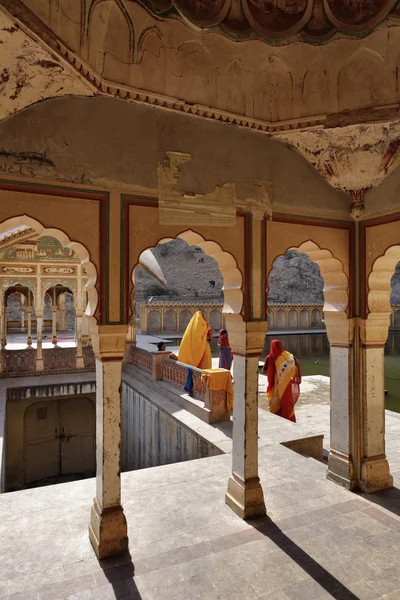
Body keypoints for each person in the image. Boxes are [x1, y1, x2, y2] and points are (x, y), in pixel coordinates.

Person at [263, 339, 301, 422]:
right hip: (285, 385)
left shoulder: (269, 358)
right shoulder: (287, 356)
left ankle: (277, 418)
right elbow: (299, 364)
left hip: (274, 385)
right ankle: (288, 418)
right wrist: (299, 377)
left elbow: (264, 371)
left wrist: (273, 375)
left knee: (275, 403)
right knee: (285, 401)